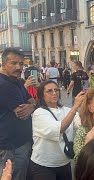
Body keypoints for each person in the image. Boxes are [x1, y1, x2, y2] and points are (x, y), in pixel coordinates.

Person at [30, 80, 83, 180]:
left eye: (56, 90)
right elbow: (60, 128)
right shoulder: (39, 113)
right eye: (49, 91)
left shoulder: (66, 110)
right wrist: (75, 106)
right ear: (42, 95)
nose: (54, 93)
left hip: (64, 162)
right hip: (44, 165)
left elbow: (81, 124)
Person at [0, 47, 36, 179]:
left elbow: (32, 101)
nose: (19, 67)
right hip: (11, 147)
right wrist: (32, 106)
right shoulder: (4, 85)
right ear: (3, 64)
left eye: (21, 63)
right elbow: (22, 113)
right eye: (14, 63)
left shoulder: (18, 81)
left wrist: (32, 106)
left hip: (21, 143)